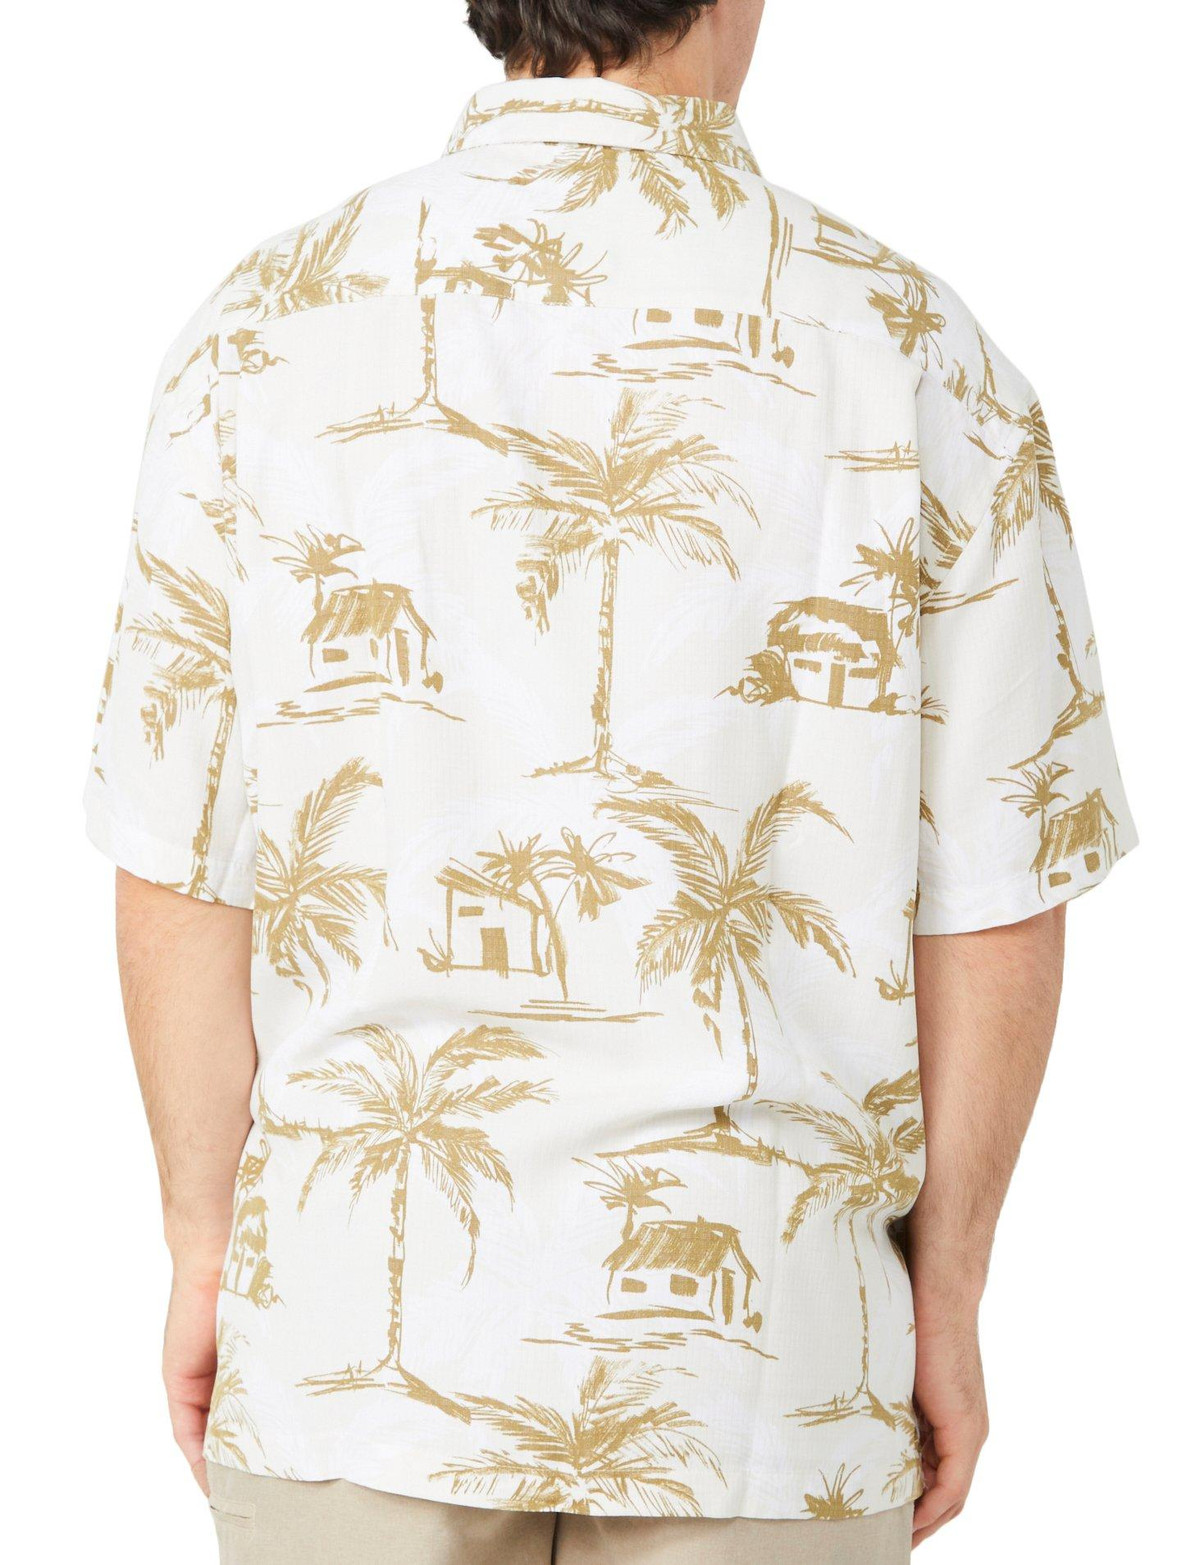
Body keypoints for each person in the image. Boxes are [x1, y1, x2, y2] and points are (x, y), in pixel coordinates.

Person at [86, 2, 1135, 1560]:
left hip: (354, 1355)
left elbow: (182, 863)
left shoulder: (263, 332)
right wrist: (950, 1290)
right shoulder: (919, 356)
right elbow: (996, 892)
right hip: (770, 1372)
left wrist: (201, 1244)